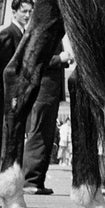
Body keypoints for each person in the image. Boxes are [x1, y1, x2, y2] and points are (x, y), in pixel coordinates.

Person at [0, 0, 33, 193]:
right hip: (8, 94)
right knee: (2, 135)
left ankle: (10, 178)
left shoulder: (24, 35)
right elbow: (4, 70)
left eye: (30, 12)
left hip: (19, 93)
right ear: (14, 12)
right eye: (24, 11)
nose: (27, 15)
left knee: (14, 136)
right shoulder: (7, 35)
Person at [22, 36, 71, 196]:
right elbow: (36, 59)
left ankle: (37, 180)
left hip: (50, 92)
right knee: (39, 135)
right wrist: (59, 59)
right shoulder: (43, 33)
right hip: (43, 92)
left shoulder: (52, 34)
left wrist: (64, 60)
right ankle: (30, 180)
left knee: (46, 137)